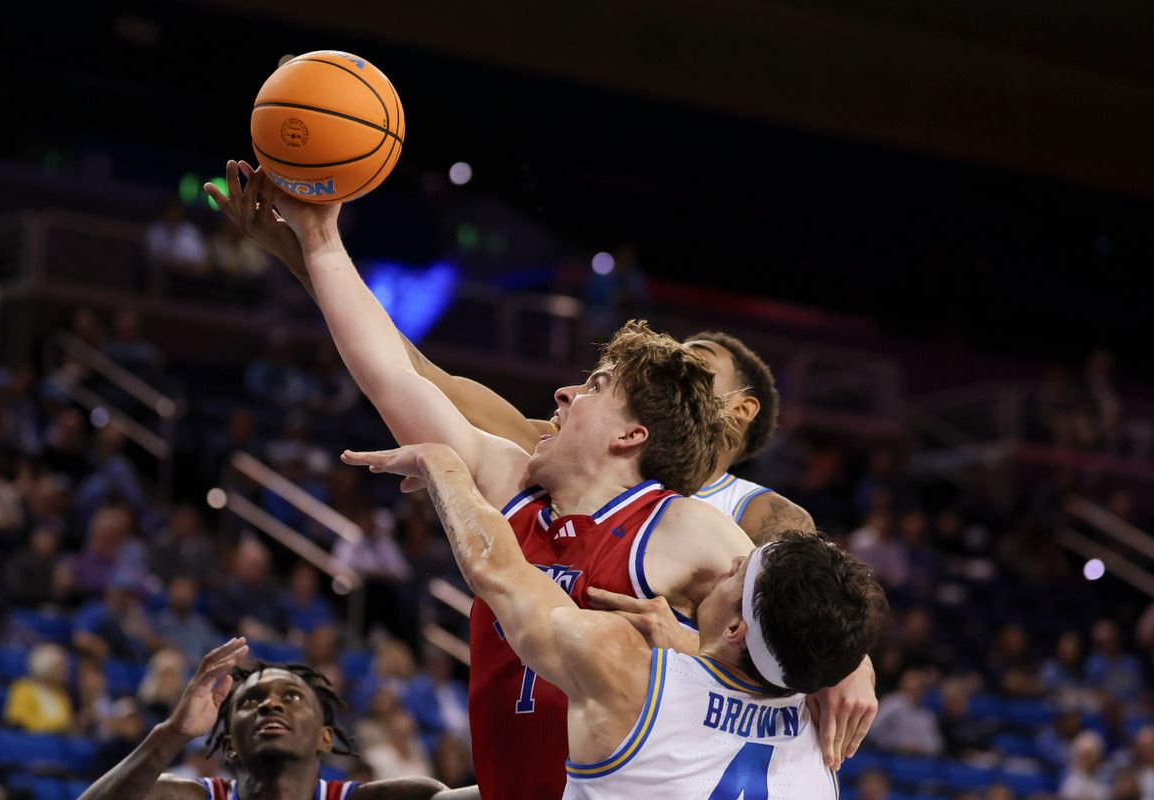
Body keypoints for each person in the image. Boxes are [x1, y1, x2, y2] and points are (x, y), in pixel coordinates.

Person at [204, 165, 877, 795]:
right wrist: (320, 239)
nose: (563, 393)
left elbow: (790, 618)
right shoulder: (513, 477)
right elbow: (394, 375)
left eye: (594, 386)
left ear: (630, 435)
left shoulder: (687, 527)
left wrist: (851, 665)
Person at [344, 443, 885, 799]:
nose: (730, 563)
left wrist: (441, 463)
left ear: (736, 629)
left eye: (737, 575)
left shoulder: (628, 669)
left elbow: (497, 571)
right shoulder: (823, 734)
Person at [76, 638, 472, 800]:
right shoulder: (187, 797)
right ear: (230, 745)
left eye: (292, 696)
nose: (270, 705)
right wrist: (174, 733)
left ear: (325, 737)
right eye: (251, 700)